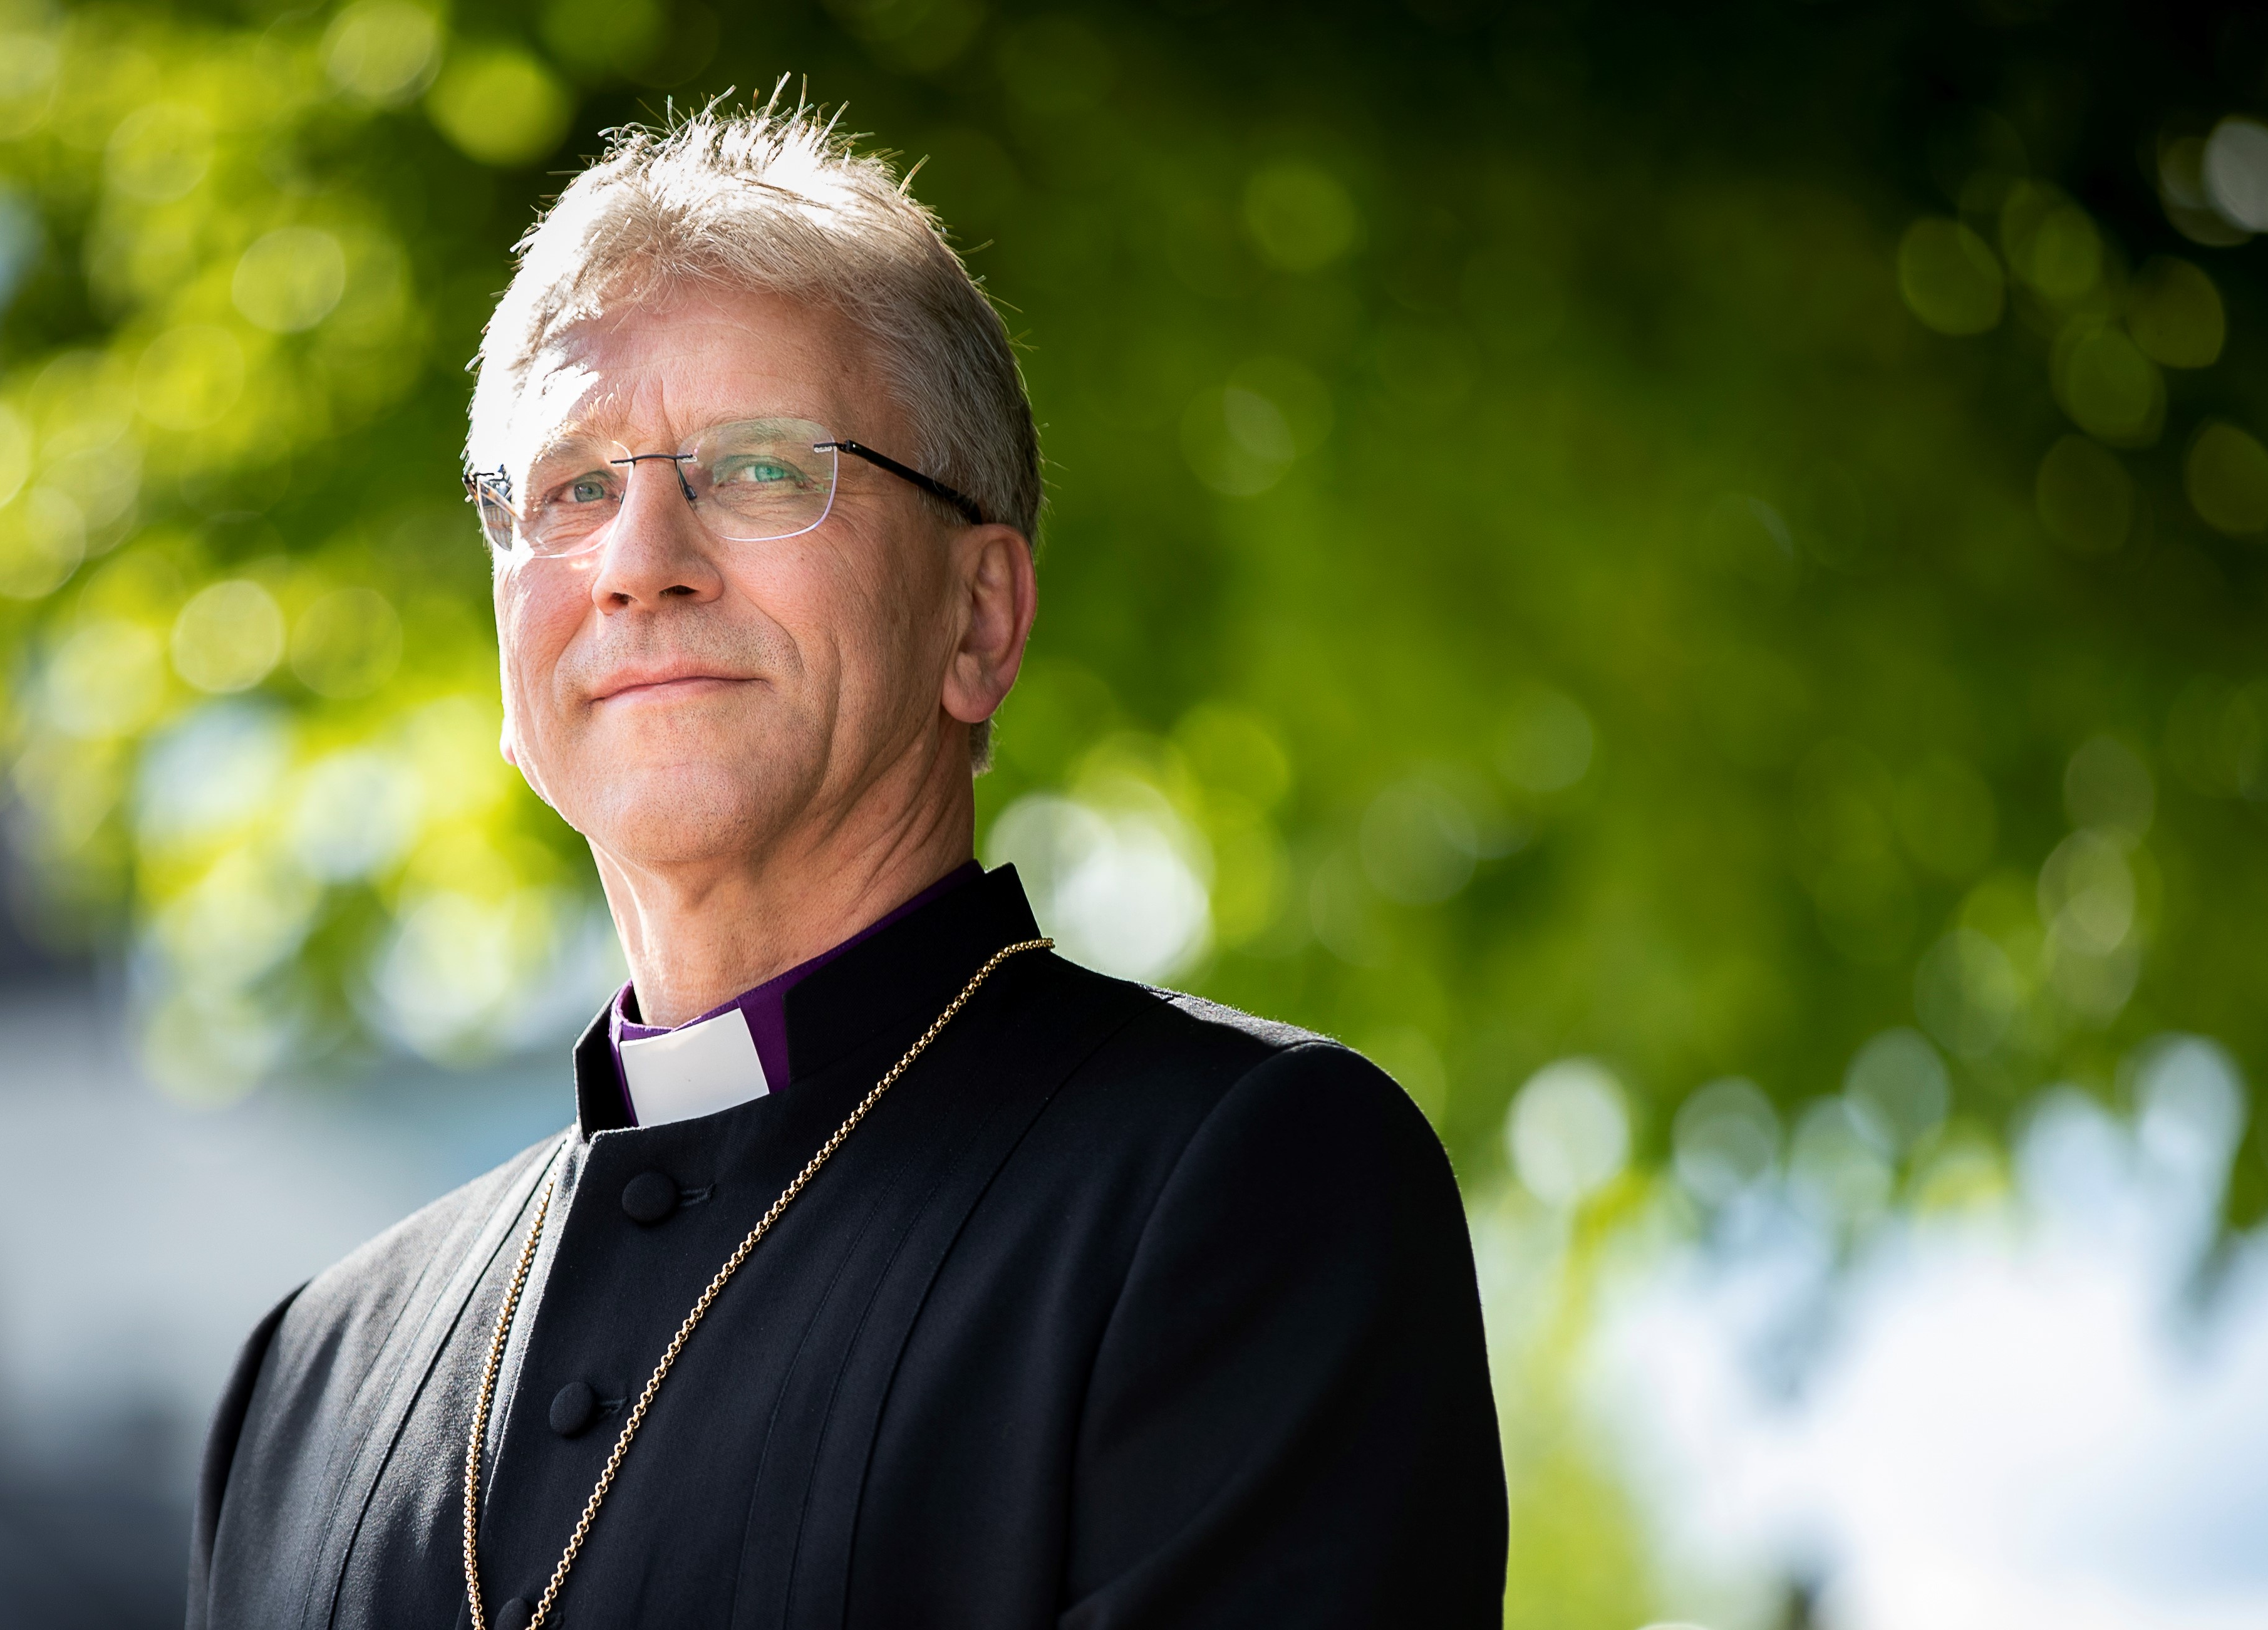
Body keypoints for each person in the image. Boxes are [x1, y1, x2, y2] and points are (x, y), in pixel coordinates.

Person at [185, 96, 1506, 1630]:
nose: (637, 559)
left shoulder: (1235, 1190)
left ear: (977, 618)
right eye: (568, 490)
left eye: (758, 470)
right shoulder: (305, 1380)